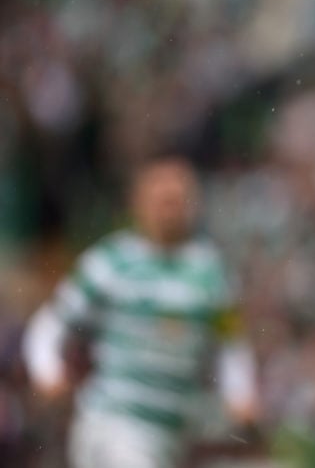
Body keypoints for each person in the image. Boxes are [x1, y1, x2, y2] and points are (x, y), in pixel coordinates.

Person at [22, 156, 259, 468]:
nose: (169, 210)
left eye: (176, 201)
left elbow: (231, 343)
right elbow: (52, 322)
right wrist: (46, 372)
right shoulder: (111, 263)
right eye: (162, 201)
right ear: (138, 203)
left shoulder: (212, 273)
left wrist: (241, 393)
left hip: (172, 434)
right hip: (114, 424)